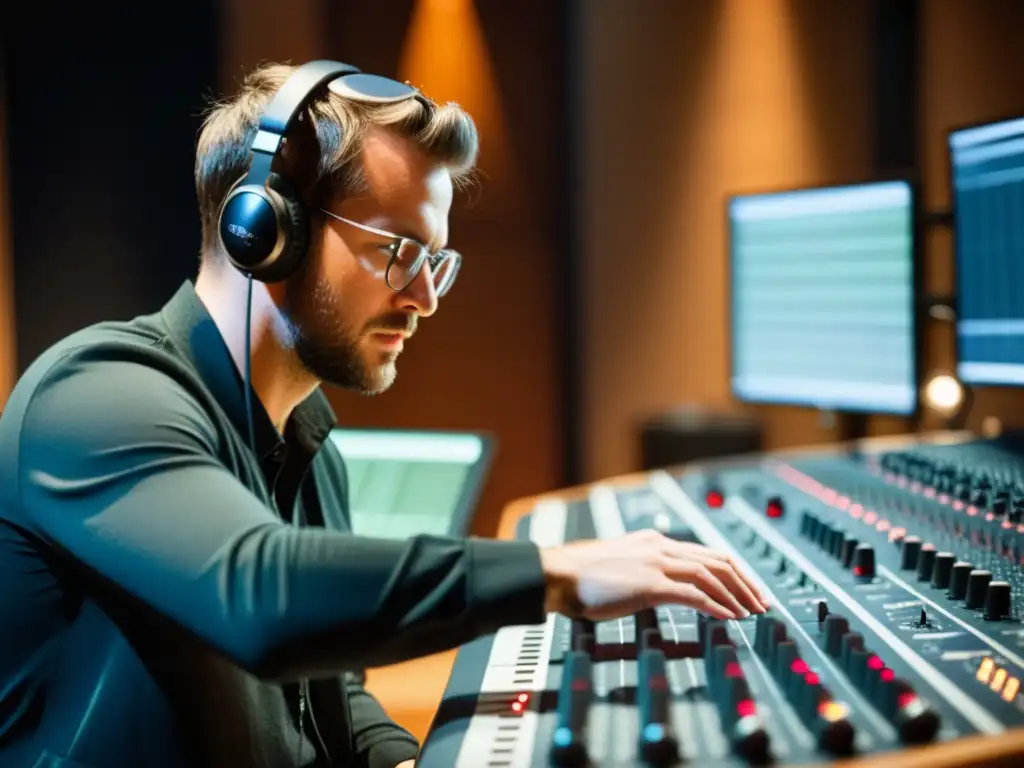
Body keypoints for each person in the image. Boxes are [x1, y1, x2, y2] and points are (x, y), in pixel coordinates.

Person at [0, 61, 769, 768]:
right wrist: (555, 572)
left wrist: (401, 759)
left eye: (436, 260)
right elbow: (261, 596)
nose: (425, 297)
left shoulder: (309, 442)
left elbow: (332, 694)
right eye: (399, 249)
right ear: (266, 231)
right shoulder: (95, 396)